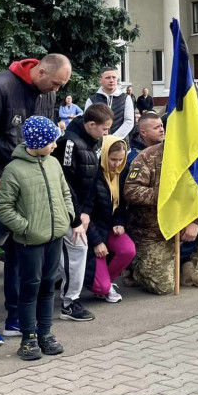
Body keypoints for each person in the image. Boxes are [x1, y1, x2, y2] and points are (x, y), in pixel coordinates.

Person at [0, 54, 71, 349]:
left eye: (61, 86)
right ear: (41, 70)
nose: (56, 90)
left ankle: (16, 317)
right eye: (55, 83)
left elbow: (41, 140)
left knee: (20, 251)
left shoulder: (47, 93)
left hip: (22, 184)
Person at [0, 116, 74, 361]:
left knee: (49, 284)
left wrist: (67, 216)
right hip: (30, 240)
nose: (55, 146)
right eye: (51, 141)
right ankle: (28, 337)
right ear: (37, 142)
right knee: (30, 287)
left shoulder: (53, 164)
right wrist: (25, 228)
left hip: (55, 236)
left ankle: (46, 333)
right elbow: (4, 207)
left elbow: (65, 192)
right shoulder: (14, 169)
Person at [123, 135, 198, 294]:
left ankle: (190, 268)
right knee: (164, 287)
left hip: (184, 222)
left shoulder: (192, 157)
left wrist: (197, 222)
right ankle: (135, 267)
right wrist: (165, 195)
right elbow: (131, 191)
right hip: (153, 230)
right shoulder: (147, 157)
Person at [54, 103, 113, 323]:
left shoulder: (93, 140)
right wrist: (76, 217)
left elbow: (92, 179)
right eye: (104, 129)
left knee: (74, 252)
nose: (106, 133)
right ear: (90, 125)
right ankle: (69, 303)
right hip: (67, 211)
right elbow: (66, 184)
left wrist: (87, 212)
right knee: (76, 250)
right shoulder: (68, 143)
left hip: (81, 211)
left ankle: (69, 297)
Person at [87, 136, 135, 303]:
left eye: (121, 159)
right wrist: (97, 241)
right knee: (100, 288)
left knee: (128, 250)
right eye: (113, 159)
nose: (116, 164)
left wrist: (119, 223)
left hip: (110, 226)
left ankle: (106, 282)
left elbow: (121, 204)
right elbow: (85, 212)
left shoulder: (121, 173)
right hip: (93, 231)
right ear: (104, 154)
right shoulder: (93, 173)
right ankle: (101, 284)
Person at [84, 68, 133, 141]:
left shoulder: (126, 98)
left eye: (114, 77)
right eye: (108, 78)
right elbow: (87, 123)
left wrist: (113, 138)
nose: (111, 80)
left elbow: (129, 121)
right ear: (100, 80)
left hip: (120, 145)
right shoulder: (91, 100)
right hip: (97, 145)